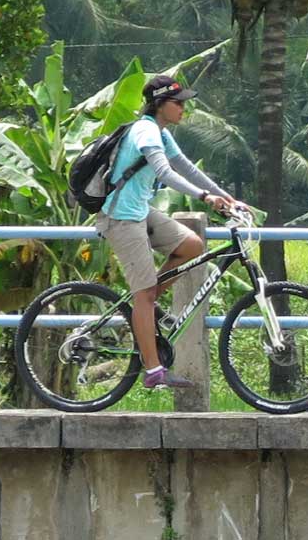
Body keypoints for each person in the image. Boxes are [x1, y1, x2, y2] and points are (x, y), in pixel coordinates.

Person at [96, 74, 242, 389]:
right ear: (160, 104)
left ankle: (146, 307)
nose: (183, 110)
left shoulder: (162, 133)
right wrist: (205, 198)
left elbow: (186, 167)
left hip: (139, 212)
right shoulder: (146, 130)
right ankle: (153, 372)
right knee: (145, 295)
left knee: (192, 246)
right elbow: (164, 171)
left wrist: (227, 199)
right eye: (178, 104)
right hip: (121, 218)